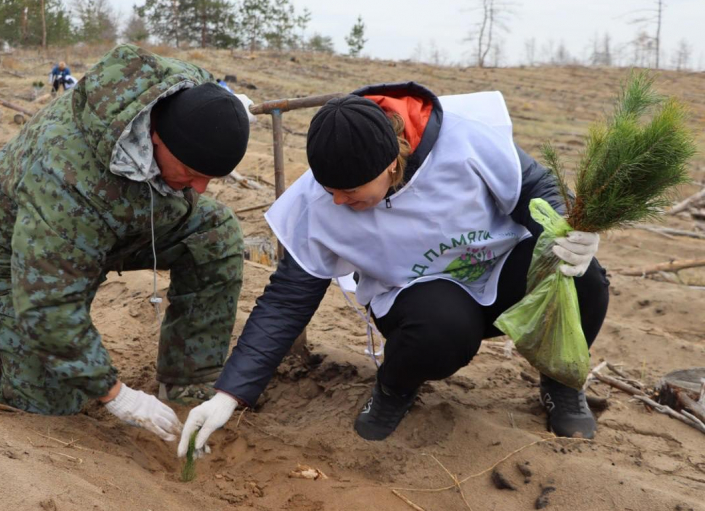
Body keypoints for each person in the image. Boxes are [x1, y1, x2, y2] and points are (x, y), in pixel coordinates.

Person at [179, 82, 609, 458]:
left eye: (350, 191)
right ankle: (395, 388)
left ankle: (561, 384)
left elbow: (535, 187)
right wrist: (229, 395)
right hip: (419, 297)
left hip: (502, 273)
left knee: (585, 279)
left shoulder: (461, 143)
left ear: (390, 165)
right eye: (329, 190)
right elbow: (287, 298)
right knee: (440, 330)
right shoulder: (320, 203)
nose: (338, 203)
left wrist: (567, 228)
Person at [0, 44, 253, 442]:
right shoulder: (66, 177)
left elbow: (211, 109)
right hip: (16, 242)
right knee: (47, 394)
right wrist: (116, 395)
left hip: (121, 216)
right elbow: (51, 306)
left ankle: (189, 382)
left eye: (209, 178)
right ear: (155, 137)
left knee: (214, 231)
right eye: (190, 172)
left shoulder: (185, 96)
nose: (200, 189)